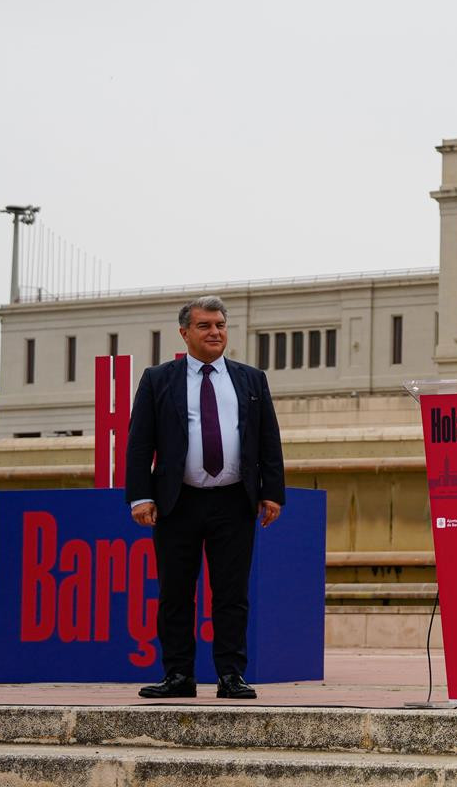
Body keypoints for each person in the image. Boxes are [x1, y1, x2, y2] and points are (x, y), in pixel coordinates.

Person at [125, 295, 285, 699]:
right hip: (178, 502)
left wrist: (272, 493)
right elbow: (139, 443)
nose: (215, 332)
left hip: (234, 501)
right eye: (204, 326)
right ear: (184, 333)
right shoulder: (158, 379)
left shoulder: (251, 379)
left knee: (232, 594)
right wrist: (140, 496)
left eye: (220, 325)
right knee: (176, 594)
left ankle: (232, 676)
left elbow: (268, 439)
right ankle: (178, 677)